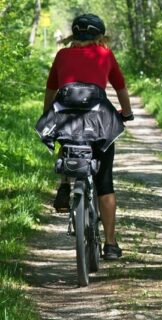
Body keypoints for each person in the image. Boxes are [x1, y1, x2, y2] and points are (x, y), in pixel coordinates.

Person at [42, 14, 134, 260]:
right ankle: (111, 244)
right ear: (100, 36)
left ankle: (64, 184)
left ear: (74, 35)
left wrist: (47, 114)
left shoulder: (62, 55)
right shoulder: (105, 54)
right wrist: (127, 113)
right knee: (105, 182)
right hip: (98, 120)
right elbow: (120, 87)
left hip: (65, 116)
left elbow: (51, 90)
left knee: (67, 140)